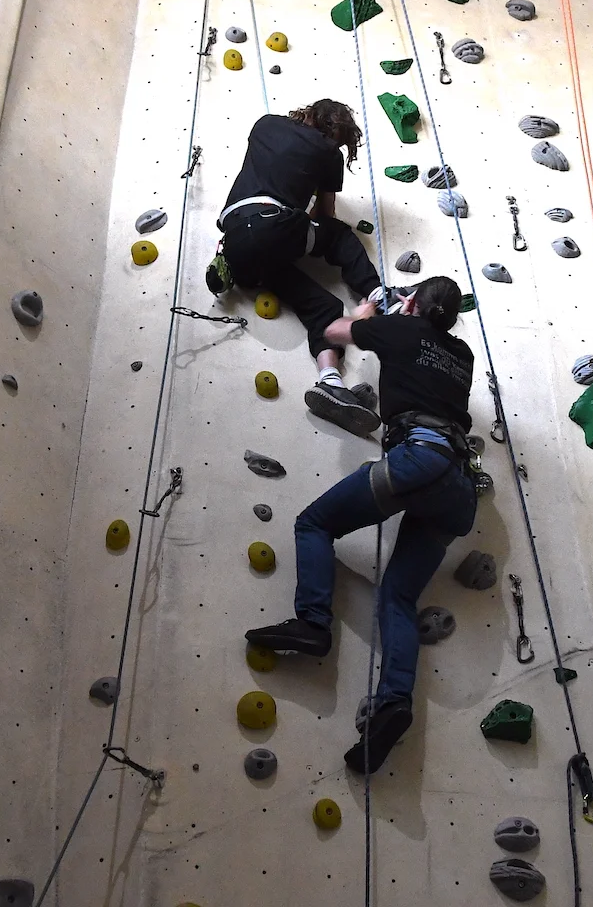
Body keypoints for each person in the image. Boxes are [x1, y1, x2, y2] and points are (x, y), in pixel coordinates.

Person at [245, 276, 479, 775]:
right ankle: (394, 702)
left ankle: (312, 623)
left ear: (412, 303)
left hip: (421, 458)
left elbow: (335, 332)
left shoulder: (401, 329)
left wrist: (369, 309)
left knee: (314, 524)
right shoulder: (464, 356)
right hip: (458, 492)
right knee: (397, 597)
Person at [207, 99, 385, 437]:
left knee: (325, 307)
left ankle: (330, 382)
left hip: (236, 245)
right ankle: (378, 293)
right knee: (336, 236)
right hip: (271, 226)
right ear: (337, 133)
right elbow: (327, 216)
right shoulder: (328, 151)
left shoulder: (265, 124)